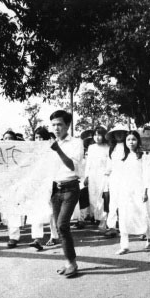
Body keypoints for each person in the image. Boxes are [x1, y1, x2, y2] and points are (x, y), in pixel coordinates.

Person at [49, 110, 84, 278]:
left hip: (70, 188)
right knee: (58, 227)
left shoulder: (77, 142)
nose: (56, 128)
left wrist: (58, 150)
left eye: (60, 124)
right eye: (53, 125)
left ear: (68, 125)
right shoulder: (50, 143)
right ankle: (68, 261)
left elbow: (72, 166)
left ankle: (72, 263)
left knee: (63, 225)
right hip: (55, 189)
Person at [115, 131, 150, 255]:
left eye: (133, 139)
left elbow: (147, 175)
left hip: (140, 189)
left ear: (138, 141)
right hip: (125, 190)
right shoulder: (123, 157)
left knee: (144, 214)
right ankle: (124, 245)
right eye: (128, 140)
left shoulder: (143, 156)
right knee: (124, 216)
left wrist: (145, 191)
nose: (131, 142)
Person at [28, 127, 59, 250]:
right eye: (36, 137)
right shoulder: (32, 152)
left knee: (51, 212)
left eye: (41, 137)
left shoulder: (52, 151)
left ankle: (54, 235)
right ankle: (37, 239)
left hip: (50, 183)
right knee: (36, 211)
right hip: (36, 184)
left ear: (46, 138)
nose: (38, 139)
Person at [84, 126, 110, 231]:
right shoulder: (91, 147)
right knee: (93, 198)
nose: (97, 137)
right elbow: (88, 163)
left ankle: (104, 220)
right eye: (95, 135)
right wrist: (86, 176)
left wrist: (107, 173)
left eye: (99, 135)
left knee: (102, 197)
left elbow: (109, 163)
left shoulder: (107, 147)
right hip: (92, 175)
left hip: (103, 175)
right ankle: (97, 217)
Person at [104, 125, 128, 237]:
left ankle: (127, 225)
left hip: (127, 177)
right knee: (113, 202)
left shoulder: (129, 146)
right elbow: (109, 165)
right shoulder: (111, 148)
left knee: (127, 201)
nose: (119, 135)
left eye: (121, 132)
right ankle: (112, 226)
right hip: (114, 177)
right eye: (116, 133)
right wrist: (106, 178)